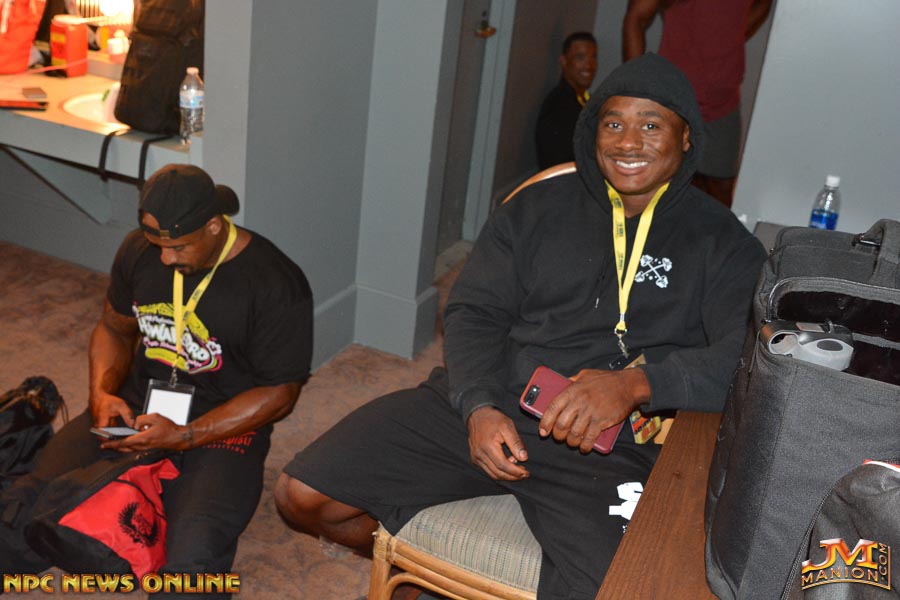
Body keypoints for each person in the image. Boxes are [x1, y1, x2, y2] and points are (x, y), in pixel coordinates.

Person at [275, 53, 766, 599]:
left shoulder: (722, 242)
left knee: (632, 587)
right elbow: (473, 312)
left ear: (686, 137)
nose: (629, 142)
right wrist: (478, 406)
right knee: (302, 495)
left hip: (611, 443)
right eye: (613, 123)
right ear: (592, 130)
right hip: (501, 400)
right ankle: (419, 580)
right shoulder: (534, 208)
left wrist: (636, 385)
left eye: (651, 126)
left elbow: (750, 361)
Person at [0, 164, 313, 593]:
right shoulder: (138, 250)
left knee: (194, 553)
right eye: (157, 245)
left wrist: (184, 436)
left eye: (178, 247)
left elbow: (281, 392)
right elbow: (113, 327)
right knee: (26, 501)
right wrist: (101, 393)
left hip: (224, 426)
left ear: (214, 226)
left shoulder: (275, 282)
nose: (165, 258)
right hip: (137, 405)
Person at [622, 0, 773, 207]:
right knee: (657, 185)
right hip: (673, 99)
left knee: (720, 192)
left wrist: (734, 35)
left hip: (724, 101)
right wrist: (635, 89)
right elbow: (636, 19)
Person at [535, 31, 598, 170]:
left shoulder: (584, 100)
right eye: (580, 58)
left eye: (593, 57)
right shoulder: (559, 108)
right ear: (564, 61)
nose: (589, 65)